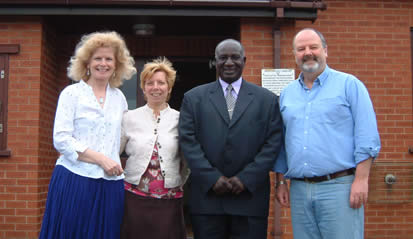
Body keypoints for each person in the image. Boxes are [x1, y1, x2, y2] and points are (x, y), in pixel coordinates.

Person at [274, 28, 381, 239]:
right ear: (295, 55)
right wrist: (280, 182)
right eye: (301, 49)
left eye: (313, 47)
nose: (308, 52)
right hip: (299, 190)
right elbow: (282, 142)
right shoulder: (287, 94)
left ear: (325, 50)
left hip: (339, 188)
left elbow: (367, 136)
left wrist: (361, 180)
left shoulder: (350, 85)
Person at [178, 39, 283, 239]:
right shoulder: (194, 98)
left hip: (250, 200)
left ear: (244, 60)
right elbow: (188, 142)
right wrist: (211, 178)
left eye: (234, 57)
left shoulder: (267, 100)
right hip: (208, 200)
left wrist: (246, 179)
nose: (228, 62)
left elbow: (273, 143)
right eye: (223, 58)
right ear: (214, 62)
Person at [39, 31, 136, 239]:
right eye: (98, 58)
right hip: (75, 179)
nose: (103, 63)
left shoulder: (119, 98)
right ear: (87, 63)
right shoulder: (71, 94)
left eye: (109, 59)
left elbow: (120, 139)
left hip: (110, 184)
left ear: (117, 64)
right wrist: (102, 159)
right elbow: (61, 140)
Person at [120, 57, 190, 239]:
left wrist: (179, 181)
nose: (155, 87)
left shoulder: (181, 119)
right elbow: (113, 153)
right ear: (143, 88)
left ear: (169, 88)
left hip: (169, 199)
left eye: (161, 83)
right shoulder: (129, 117)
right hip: (134, 197)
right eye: (150, 83)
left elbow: (188, 157)